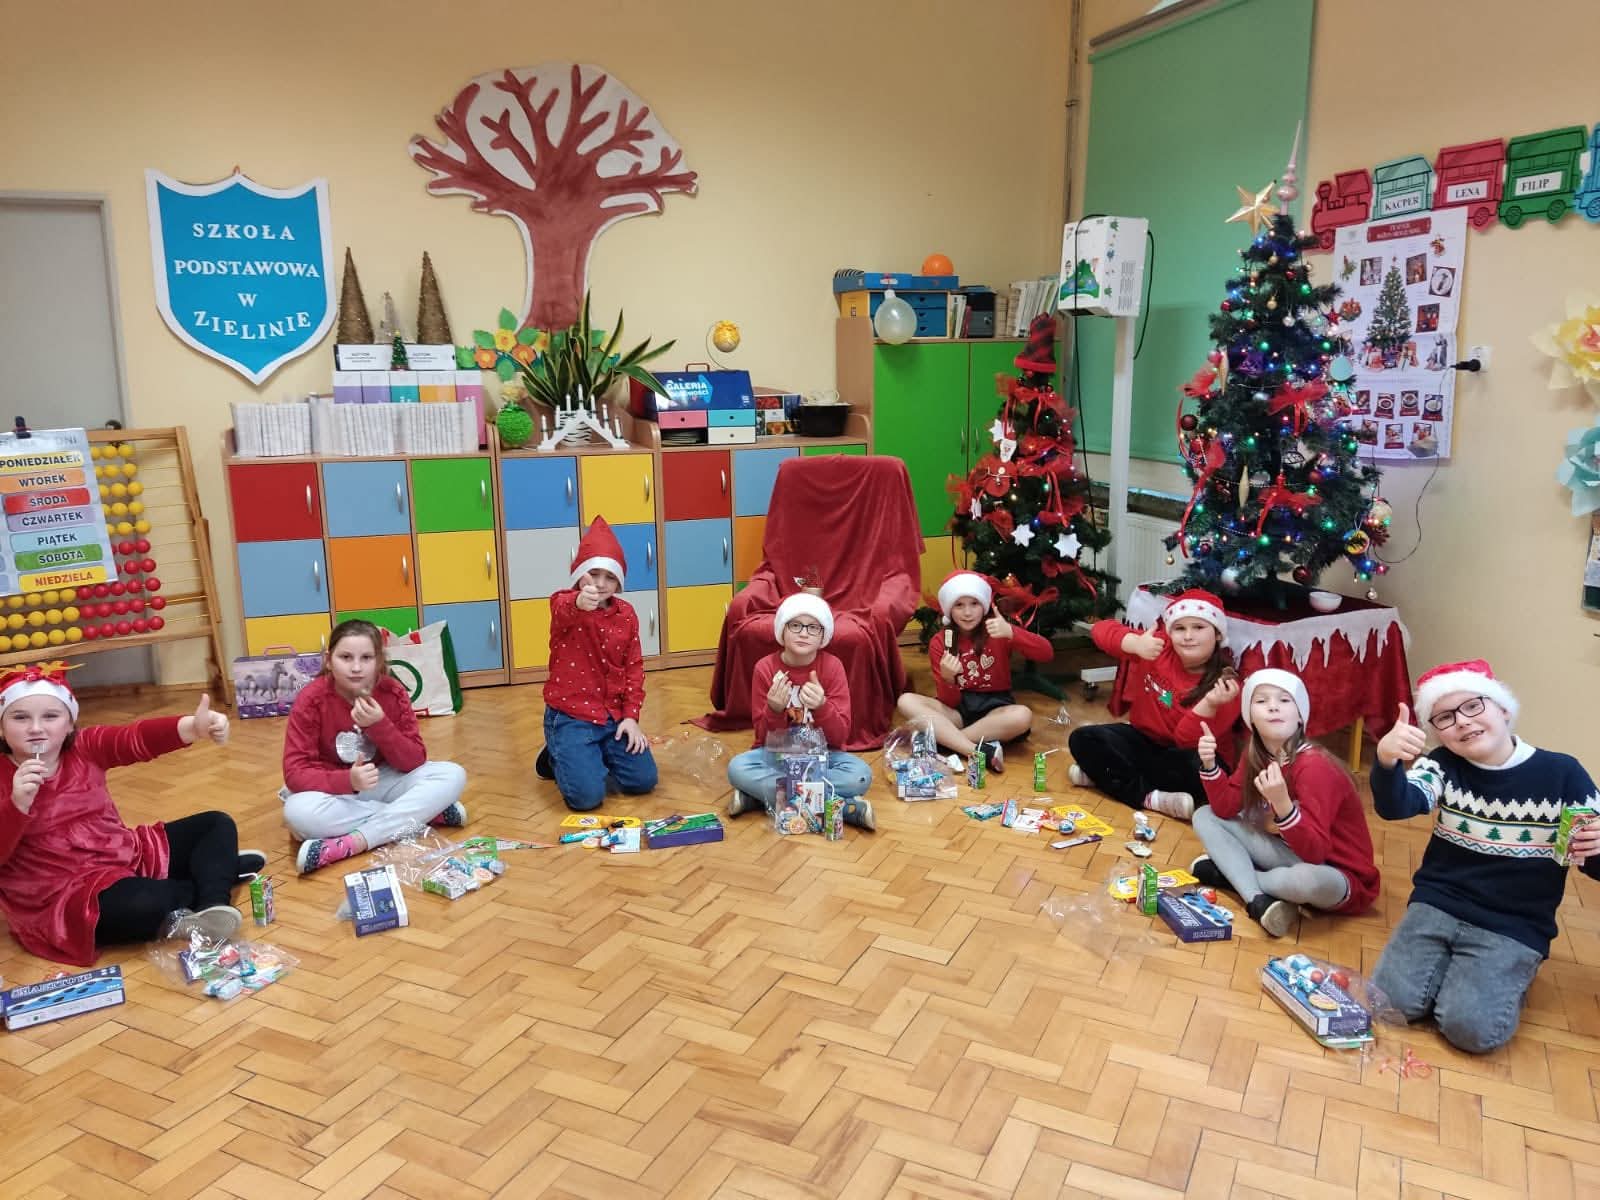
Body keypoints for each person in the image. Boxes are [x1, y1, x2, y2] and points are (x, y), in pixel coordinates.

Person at [1370, 660, 1600, 1054]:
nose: (1462, 721)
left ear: (1504, 710)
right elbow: (1397, 805)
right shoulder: (1442, 764)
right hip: (1439, 903)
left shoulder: (1563, 774)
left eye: (1473, 706)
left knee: (1470, 1030)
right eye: (1445, 717)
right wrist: (1386, 761)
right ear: (1438, 733)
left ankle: (1508, 976)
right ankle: (1461, 971)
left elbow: (1592, 862)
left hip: (1514, 923)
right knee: (1388, 1003)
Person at [0, 662, 252, 964]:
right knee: (146, 903)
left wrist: (192, 728)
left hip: (124, 855)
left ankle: (213, 904)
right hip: (64, 897)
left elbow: (133, 739)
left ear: (69, 724)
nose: (36, 728)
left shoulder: (84, 747)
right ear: (1, 728)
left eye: (50, 716)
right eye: (20, 717)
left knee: (216, 823)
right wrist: (16, 805)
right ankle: (215, 872)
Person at [1191, 669, 1379, 937]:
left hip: (1337, 873)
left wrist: (1282, 805)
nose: (1273, 707)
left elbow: (1315, 853)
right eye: (1261, 701)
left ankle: (1230, 875)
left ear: (1300, 716)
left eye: (1284, 700)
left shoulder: (1315, 766)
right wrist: (1210, 765)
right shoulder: (1255, 755)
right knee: (1204, 815)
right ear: (1250, 718)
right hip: (1288, 852)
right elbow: (1224, 808)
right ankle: (1256, 899)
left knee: (1304, 881)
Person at [283, 619, 467, 873]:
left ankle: (353, 842)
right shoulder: (311, 700)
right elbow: (295, 773)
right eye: (345, 657)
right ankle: (423, 814)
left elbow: (414, 760)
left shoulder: (392, 692)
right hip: (335, 791)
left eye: (366, 658)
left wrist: (380, 725)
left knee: (453, 774)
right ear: (328, 660)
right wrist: (348, 780)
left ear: (379, 661)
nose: (356, 668)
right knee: (297, 813)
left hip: (384, 780)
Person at [1067, 589, 1240, 819]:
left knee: (1195, 768)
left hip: (1189, 755)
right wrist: (1135, 643)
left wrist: (1208, 703)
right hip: (1145, 741)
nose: (1188, 636)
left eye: (1199, 627)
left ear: (1217, 634)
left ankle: (1108, 776)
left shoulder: (1227, 685)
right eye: (1180, 628)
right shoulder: (1159, 646)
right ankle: (1150, 798)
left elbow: (1185, 740)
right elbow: (1100, 630)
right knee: (1082, 738)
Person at [533, 516, 658, 810]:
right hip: (571, 717)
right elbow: (564, 608)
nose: (601, 584)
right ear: (580, 574)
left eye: (610, 577)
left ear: (619, 581)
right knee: (586, 798)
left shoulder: (626, 614)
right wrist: (579, 602)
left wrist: (631, 718)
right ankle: (559, 752)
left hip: (612, 718)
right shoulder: (565, 602)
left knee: (644, 780)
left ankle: (587, 755)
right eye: (593, 574)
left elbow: (633, 669)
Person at [726, 593, 875, 830]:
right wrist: (774, 709)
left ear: (823, 635)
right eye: (795, 625)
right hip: (777, 755)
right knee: (737, 768)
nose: (804, 633)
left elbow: (840, 737)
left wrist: (822, 706)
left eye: (813, 628)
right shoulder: (765, 668)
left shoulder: (832, 667)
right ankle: (843, 807)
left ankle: (758, 798)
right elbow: (763, 738)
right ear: (781, 631)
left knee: (860, 775)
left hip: (823, 755)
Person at [894, 571, 1050, 774]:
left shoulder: (997, 630)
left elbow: (1046, 653)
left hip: (996, 709)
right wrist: (948, 679)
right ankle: (974, 750)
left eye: (974, 604)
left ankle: (947, 742)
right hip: (959, 710)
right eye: (959, 605)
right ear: (949, 608)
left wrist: (1013, 633)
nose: (967, 613)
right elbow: (948, 701)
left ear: (984, 605)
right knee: (905, 700)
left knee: (1022, 715)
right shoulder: (941, 641)